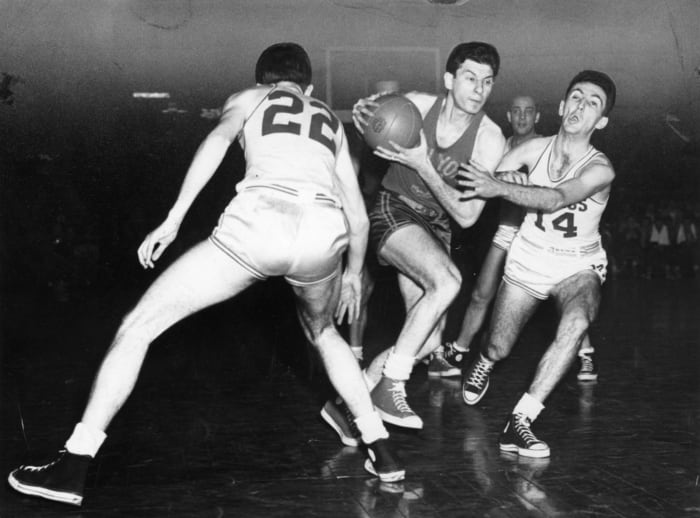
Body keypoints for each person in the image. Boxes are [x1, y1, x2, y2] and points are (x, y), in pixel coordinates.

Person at [7, 42, 404, 507]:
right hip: (323, 230)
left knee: (138, 327)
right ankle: (383, 449)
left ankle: (74, 465)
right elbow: (357, 217)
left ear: (263, 80)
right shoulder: (330, 121)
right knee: (324, 333)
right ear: (310, 87)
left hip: (262, 218)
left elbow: (217, 141)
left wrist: (174, 218)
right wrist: (354, 273)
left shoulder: (250, 98)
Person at [321, 42, 505, 440]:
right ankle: (392, 386)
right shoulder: (418, 105)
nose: (479, 89)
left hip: (436, 225)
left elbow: (468, 216)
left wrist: (423, 162)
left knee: (427, 341)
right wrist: (361, 114)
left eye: (487, 82)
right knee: (449, 282)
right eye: (470, 78)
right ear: (449, 80)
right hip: (393, 209)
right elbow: (370, 113)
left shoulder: (489, 139)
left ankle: (348, 404)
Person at [458, 70, 616, 458]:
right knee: (498, 347)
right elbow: (492, 175)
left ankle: (521, 421)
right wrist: (504, 176)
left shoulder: (601, 168)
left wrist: (503, 186)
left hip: (579, 265)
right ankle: (483, 360)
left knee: (578, 322)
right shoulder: (533, 150)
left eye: (593, 102)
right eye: (576, 96)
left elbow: (557, 197)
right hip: (529, 257)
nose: (582, 105)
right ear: (563, 107)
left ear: (602, 121)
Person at [431, 95, 598, 382]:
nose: (522, 117)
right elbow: (482, 177)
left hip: (542, 236)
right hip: (507, 229)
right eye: (516, 111)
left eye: (528, 111)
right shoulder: (501, 146)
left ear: (537, 116)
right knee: (481, 293)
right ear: (508, 115)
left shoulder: (549, 148)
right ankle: (459, 351)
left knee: (565, 300)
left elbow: (563, 193)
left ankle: (586, 354)